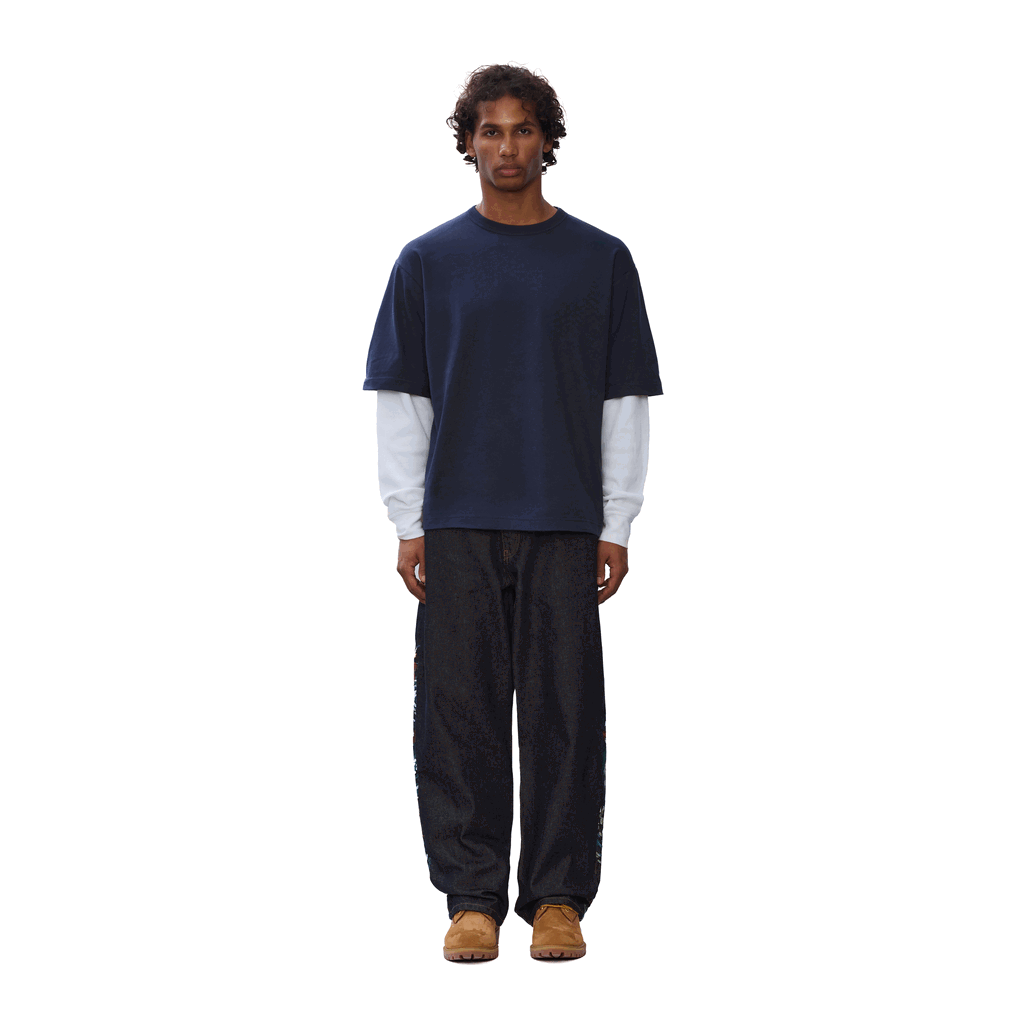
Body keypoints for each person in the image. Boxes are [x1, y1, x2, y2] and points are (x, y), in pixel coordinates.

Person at [363, 64, 664, 961]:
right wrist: (408, 520)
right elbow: (403, 398)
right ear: (467, 143)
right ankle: (472, 900)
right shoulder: (427, 262)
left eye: (523, 129)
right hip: (457, 522)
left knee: (566, 712)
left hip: (564, 520)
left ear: (548, 141)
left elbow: (623, 399)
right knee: (458, 711)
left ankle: (559, 898)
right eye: (489, 130)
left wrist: (616, 521)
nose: (506, 147)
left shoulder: (600, 261)